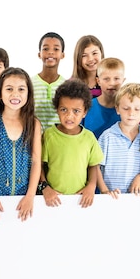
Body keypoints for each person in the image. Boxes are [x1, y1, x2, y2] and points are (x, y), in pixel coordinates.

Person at [0, 67, 42, 222]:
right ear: (0, 93)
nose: (15, 94)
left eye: (21, 89)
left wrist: (30, 197)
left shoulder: (33, 124)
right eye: (9, 89)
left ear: (28, 93)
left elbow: (36, 161)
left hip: (24, 199)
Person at [39, 78, 103, 208]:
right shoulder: (49, 135)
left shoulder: (89, 138)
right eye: (64, 110)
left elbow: (93, 165)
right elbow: (39, 166)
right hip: (53, 200)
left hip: (79, 200)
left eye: (76, 111)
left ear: (84, 112)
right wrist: (45, 187)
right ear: (57, 109)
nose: (69, 116)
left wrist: (91, 186)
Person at [97, 83, 140, 197]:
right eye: (126, 108)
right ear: (117, 109)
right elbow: (95, 167)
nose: (131, 113)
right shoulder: (107, 137)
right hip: (109, 198)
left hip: (136, 199)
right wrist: (104, 191)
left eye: (137, 109)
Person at [82, 57, 126, 138]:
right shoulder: (87, 106)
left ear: (123, 80)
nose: (112, 83)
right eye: (106, 79)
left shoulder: (127, 109)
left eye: (116, 79)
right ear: (98, 81)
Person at [32, 32, 66, 131]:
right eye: (46, 49)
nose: (50, 52)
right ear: (39, 54)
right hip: (34, 139)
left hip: (58, 140)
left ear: (62, 55)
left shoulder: (66, 85)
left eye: (56, 49)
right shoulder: (29, 83)